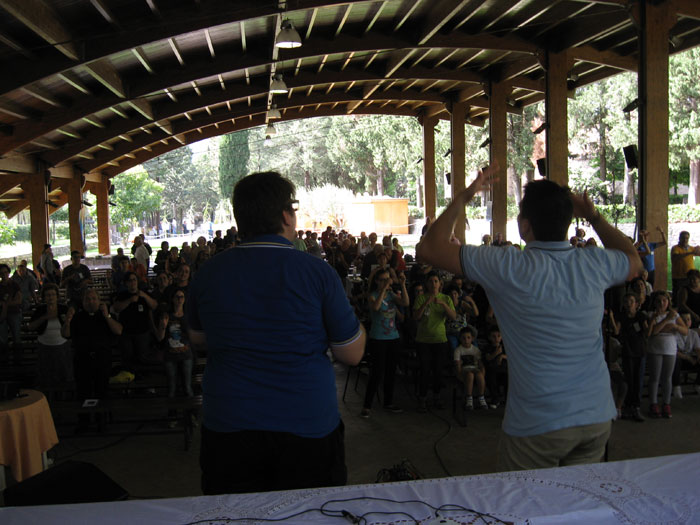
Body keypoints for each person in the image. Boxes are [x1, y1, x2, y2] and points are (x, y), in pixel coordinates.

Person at [417, 166, 642, 471]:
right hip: (595, 416)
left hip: (539, 423)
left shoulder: (506, 265)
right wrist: (594, 217)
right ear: (568, 221)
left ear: (524, 226)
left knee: (528, 510)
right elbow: (633, 260)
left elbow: (428, 248)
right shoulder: (593, 262)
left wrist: (464, 197)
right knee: (580, 509)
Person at [187, 171, 365, 495]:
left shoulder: (208, 273)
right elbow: (351, 353)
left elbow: (198, 339)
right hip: (306, 424)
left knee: (235, 517)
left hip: (229, 422)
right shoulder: (318, 272)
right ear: (286, 215)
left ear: (241, 218)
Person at [360, 268, 408, 418]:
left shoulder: (392, 295)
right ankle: (367, 406)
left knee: (390, 372)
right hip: (378, 339)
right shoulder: (373, 295)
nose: (385, 282)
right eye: (382, 280)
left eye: (387, 279)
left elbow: (406, 303)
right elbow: (375, 307)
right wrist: (383, 289)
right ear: (377, 281)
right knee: (376, 373)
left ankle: (388, 402)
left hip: (393, 338)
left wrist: (403, 285)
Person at [62, 288, 122, 402]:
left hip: (102, 360)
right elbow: (65, 334)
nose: (91, 302)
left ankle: (102, 417)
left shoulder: (106, 315)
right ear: (83, 302)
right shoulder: (78, 317)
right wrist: (68, 320)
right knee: (83, 392)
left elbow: (119, 331)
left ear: (99, 301)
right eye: (87, 299)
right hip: (82, 361)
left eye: (94, 299)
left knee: (102, 391)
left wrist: (107, 316)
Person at [412, 271, 456, 411]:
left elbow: (453, 317)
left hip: (440, 340)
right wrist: (426, 302)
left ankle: (437, 396)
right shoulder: (420, 298)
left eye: (435, 281)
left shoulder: (446, 299)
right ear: (427, 284)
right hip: (423, 340)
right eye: (430, 281)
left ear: (439, 283)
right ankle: (422, 398)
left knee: (438, 370)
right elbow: (416, 317)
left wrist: (443, 304)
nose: (433, 284)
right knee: (425, 370)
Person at [646, 290, 686, 419]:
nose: (662, 303)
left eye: (664, 300)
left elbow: (685, 330)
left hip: (670, 349)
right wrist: (666, 322)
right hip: (655, 349)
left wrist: (675, 327)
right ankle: (653, 403)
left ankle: (666, 403)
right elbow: (652, 332)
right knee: (655, 377)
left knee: (667, 377)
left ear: (668, 302)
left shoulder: (674, 314)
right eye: (658, 301)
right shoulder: (651, 314)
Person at [453, 325, 487, 410]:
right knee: (470, 375)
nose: (466, 340)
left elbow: (480, 363)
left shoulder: (475, 350)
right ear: (460, 339)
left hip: (474, 368)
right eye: (463, 338)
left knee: (479, 374)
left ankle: (481, 397)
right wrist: (459, 375)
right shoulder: (458, 350)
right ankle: (469, 398)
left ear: (472, 339)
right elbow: (457, 365)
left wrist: (483, 372)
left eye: (468, 338)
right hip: (465, 370)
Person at [0, 264, 22, 362]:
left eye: (5, 272)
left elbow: (19, 300)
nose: (4, 275)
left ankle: (18, 358)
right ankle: (5, 358)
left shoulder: (14, 285)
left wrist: (6, 304)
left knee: (16, 335)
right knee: (2, 338)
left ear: (8, 273)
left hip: (14, 313)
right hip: (2, 315)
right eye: (1, 273)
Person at [671, 231, 698, 306]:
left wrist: (697, 249)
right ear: (679, 238)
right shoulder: (675, 248)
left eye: (686, 238)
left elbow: (697, 253)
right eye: (683, 238)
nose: (685, 240)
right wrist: (689, 253)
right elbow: (676, 257)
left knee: (688, 295)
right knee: (677, 296)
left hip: (689, 277)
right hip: (678, 277)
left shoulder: (691, 248)